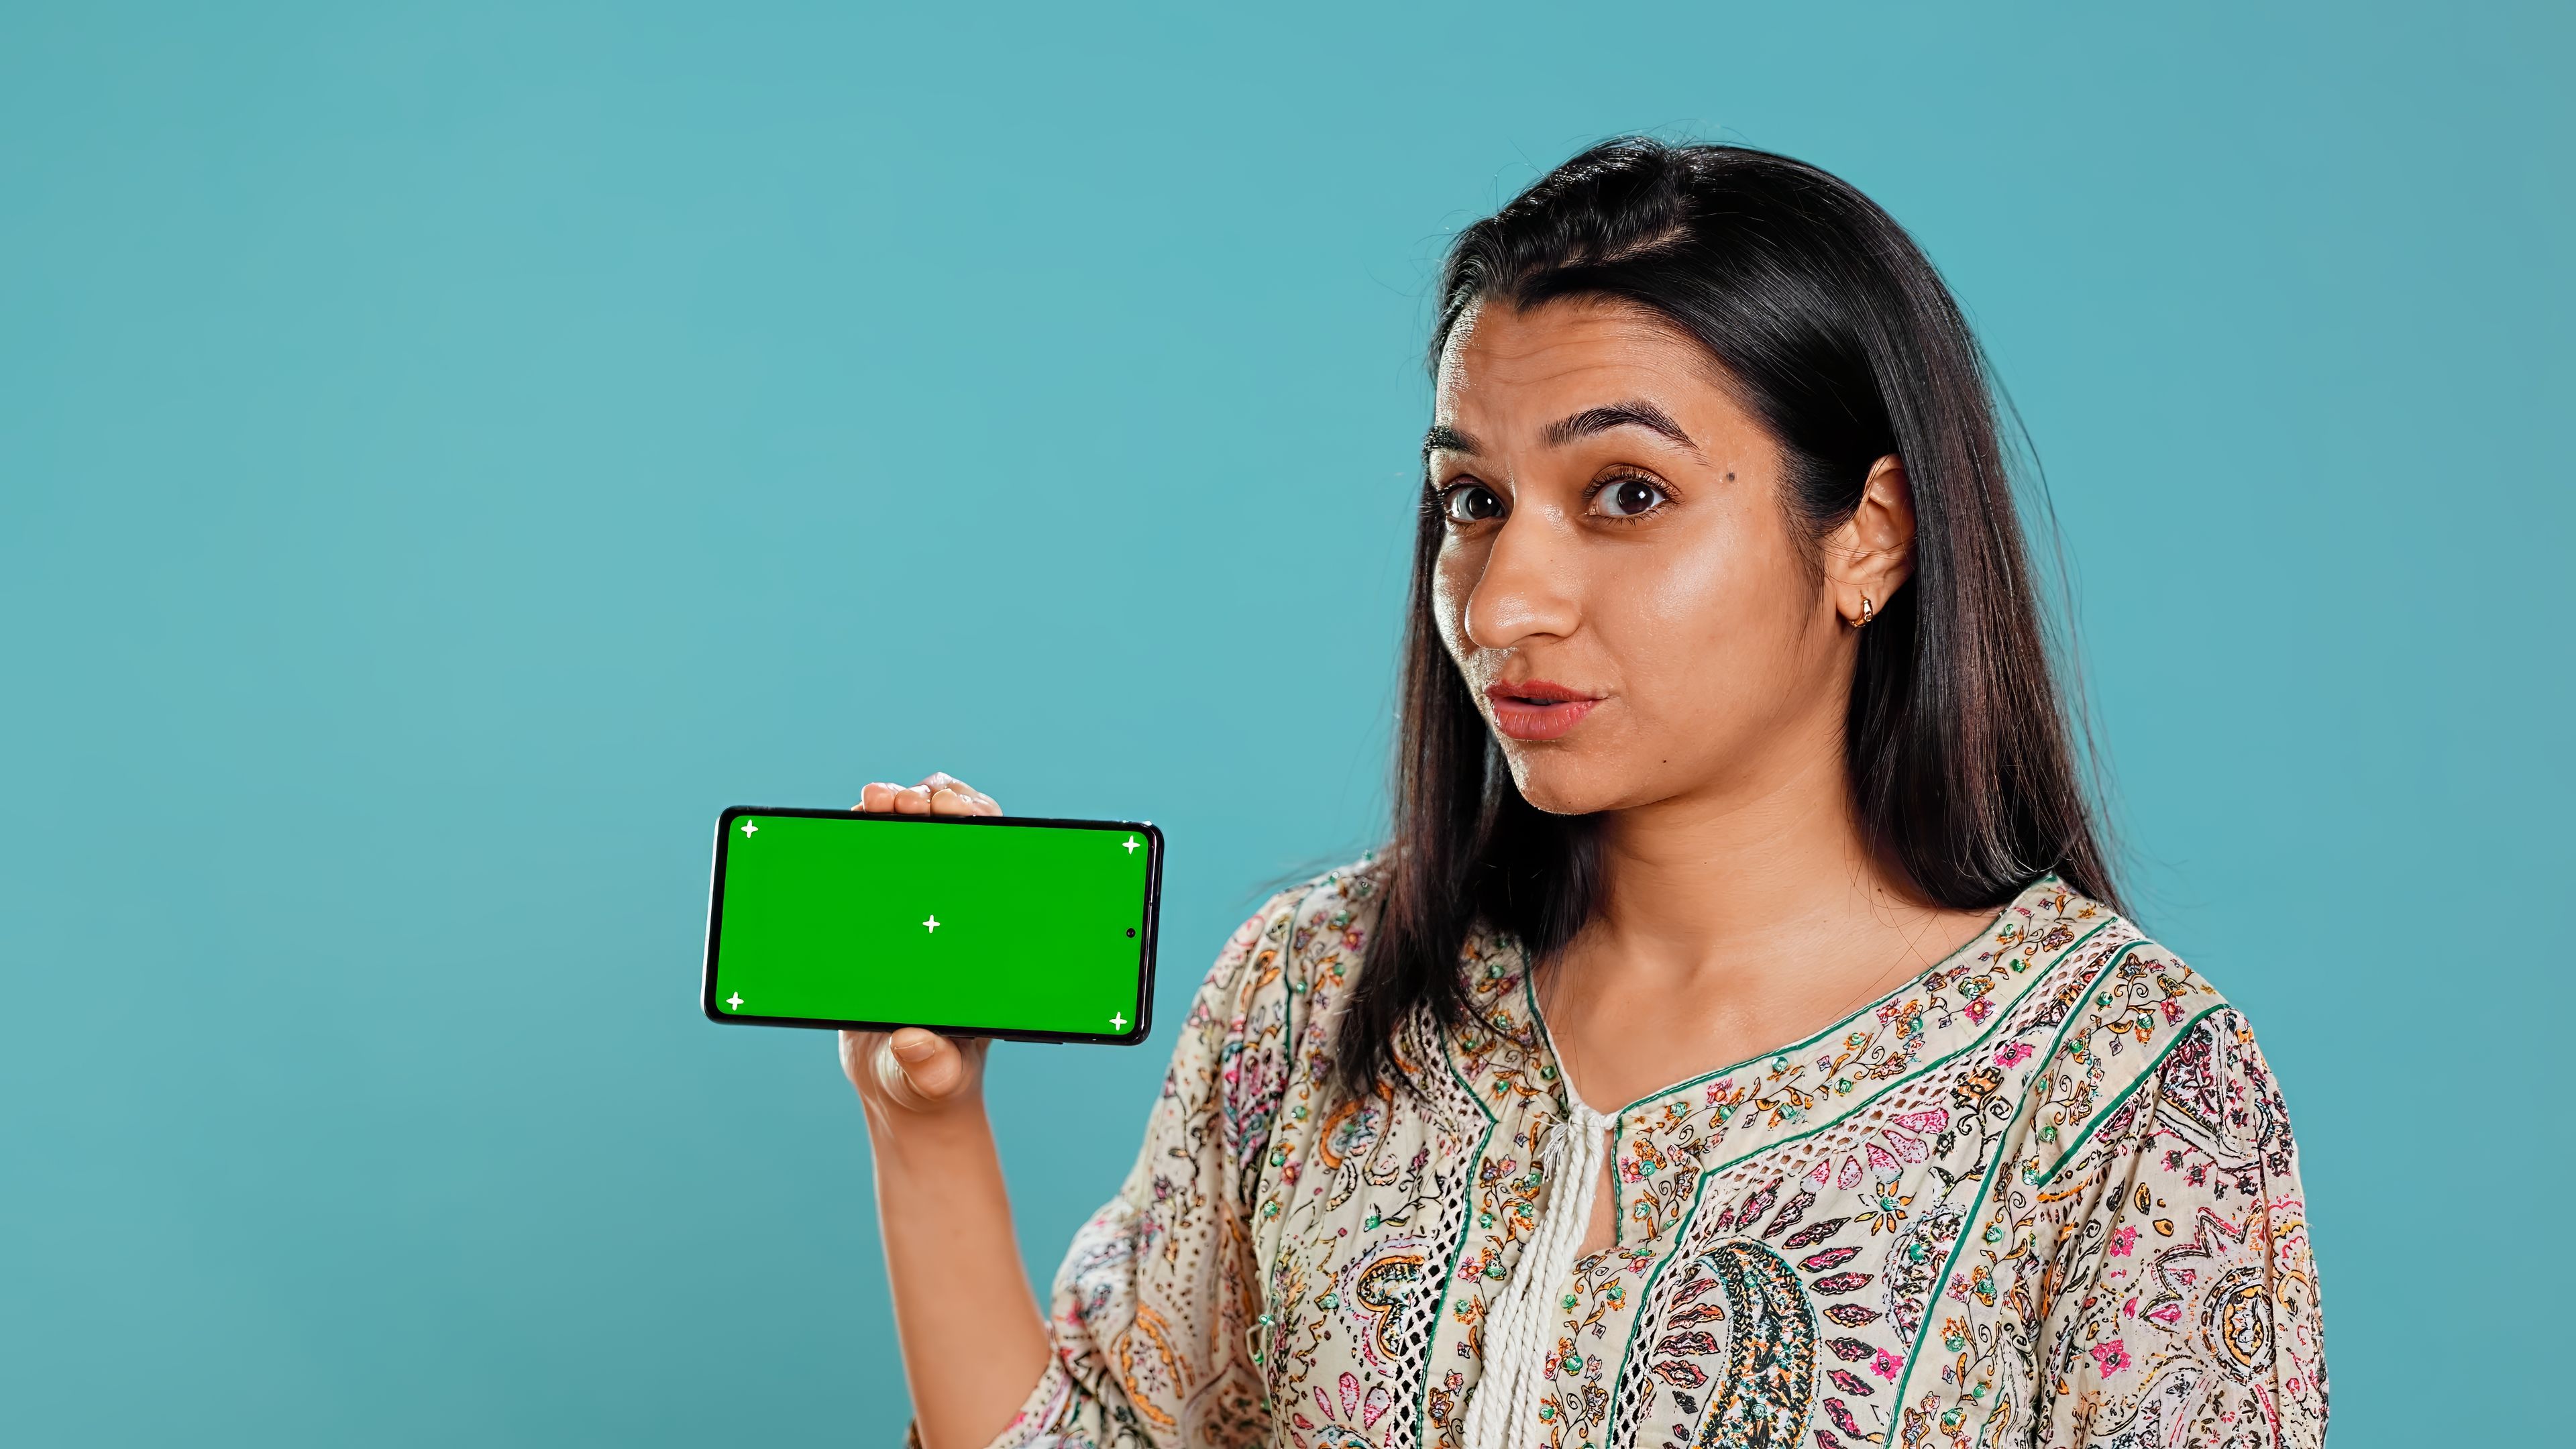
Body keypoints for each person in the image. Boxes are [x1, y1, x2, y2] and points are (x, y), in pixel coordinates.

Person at [845, 140, 2327, 1449]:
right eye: (1474, 503)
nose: (1504, 604)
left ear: (1868, 537)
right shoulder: (1317, 990)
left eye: (1626, 493)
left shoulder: (2121, 1088)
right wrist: (925, 1122)